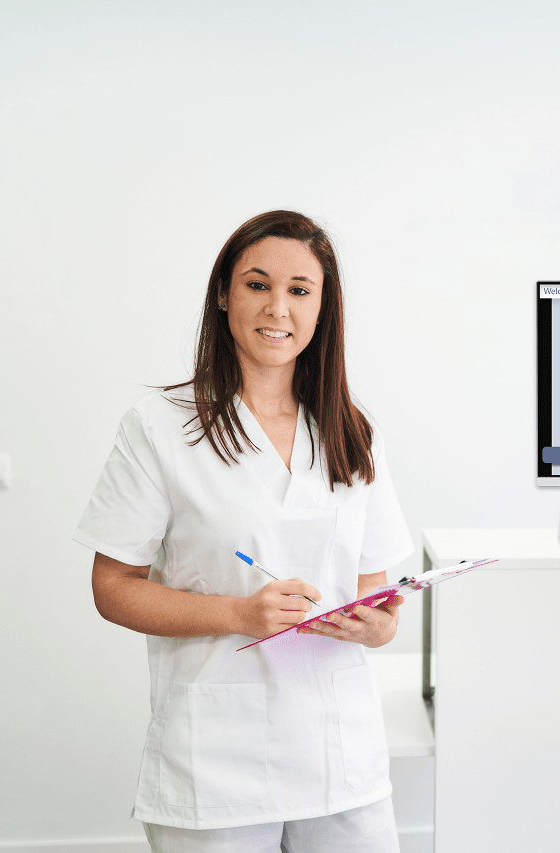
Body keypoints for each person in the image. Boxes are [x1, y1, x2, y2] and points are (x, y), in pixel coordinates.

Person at [73, 211, 413, 853]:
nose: (278, 308)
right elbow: (112, 588)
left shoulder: (352, 431)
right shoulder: (160, 426)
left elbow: (377, 592)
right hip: (216, 762)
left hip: (340, 755)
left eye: (299, 290)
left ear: (323, 307)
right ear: (224, 294)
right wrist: (238, 612)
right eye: (258, 285)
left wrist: (379, 624)